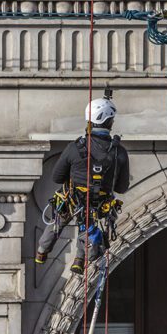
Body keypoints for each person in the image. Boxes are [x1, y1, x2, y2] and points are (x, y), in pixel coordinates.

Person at [35, 90, 130, 274]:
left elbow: (56, 177)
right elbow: (122, 187)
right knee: (88, 223)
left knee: (59, 219)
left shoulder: (75, 147)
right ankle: (80, 259)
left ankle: (41, 251)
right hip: (99, 204)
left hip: (73, 199)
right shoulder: (119, 152)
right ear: (109, 122)